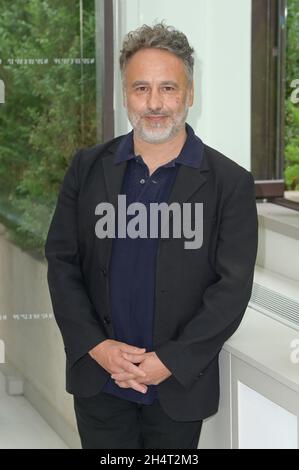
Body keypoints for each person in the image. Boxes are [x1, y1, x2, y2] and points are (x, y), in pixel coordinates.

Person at [45, 22, 258, 449]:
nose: (155, 104)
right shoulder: (87, 168)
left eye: (168, 88)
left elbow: (231, 290)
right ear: (125, 95)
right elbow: (62, 262)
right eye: (141, 89)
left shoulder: (229, 182)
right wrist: (97, 347)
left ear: (190, 94)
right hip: (100, 381)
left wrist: (170, 361)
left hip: (176, 387)